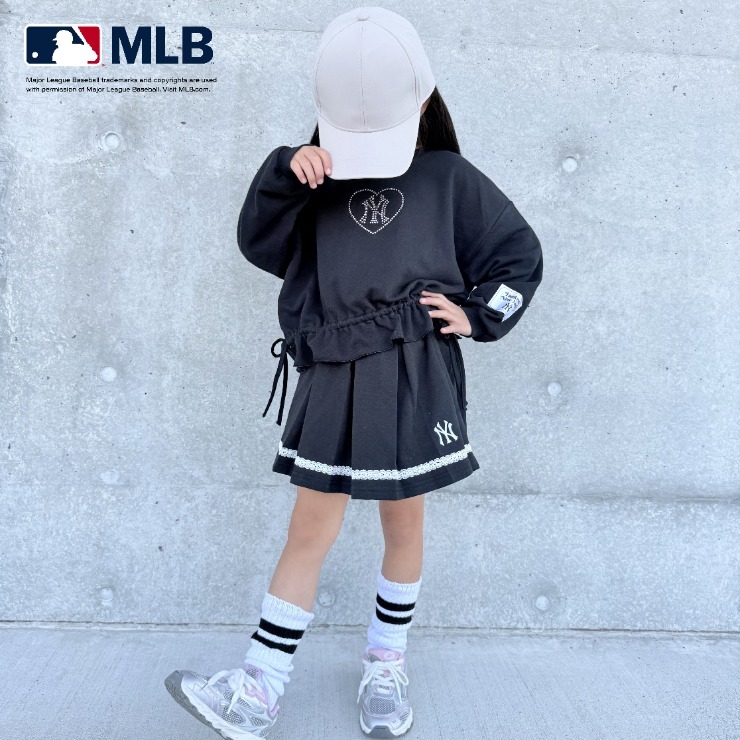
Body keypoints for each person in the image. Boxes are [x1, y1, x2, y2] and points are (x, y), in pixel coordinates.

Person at [164, 6, 543, 739]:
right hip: (333, 372)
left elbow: (518, 255)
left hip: (415, 371)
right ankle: (258, 689)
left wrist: (478, 315)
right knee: (309, 529)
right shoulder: (317, 175)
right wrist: (285, 174)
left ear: (422, 102)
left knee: (404, 523)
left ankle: (385, 668)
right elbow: (261, 245)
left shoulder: (449, 178)